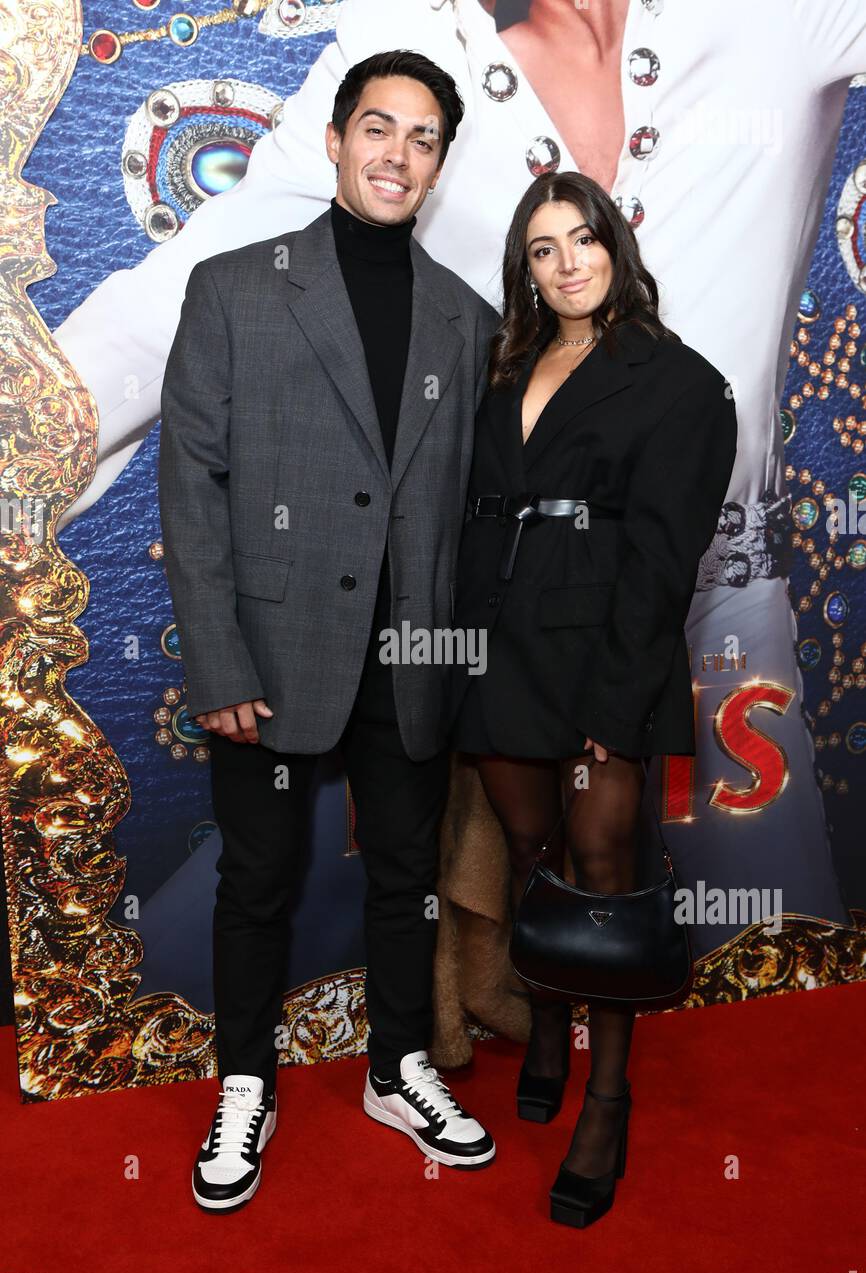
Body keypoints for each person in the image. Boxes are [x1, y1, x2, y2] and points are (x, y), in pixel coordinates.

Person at [55, 0, 865, 958]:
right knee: (457, 896)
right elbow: (167, 311)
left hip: (719, 615)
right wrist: (29, 434)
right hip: (512, 609)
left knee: (781, 957)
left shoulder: (775, 17)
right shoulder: (404, 47)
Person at [158, 49, 500, 1212]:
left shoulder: (468, 319)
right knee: (257, 882)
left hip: (408, 667)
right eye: (376, 128)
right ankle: (243, 1079)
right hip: (267, 661)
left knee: (406, 874)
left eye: (420, 137)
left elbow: (469, 513)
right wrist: (216, 656)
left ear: (440, 162)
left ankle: (397, 1064)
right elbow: (189, 486)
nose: (396, 152)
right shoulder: (236, 287)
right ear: (337, 140)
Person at [449, 170, 738, 1227]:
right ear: (523, 268)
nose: (566, 262)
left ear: (614, 245)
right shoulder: (504, 363)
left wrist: (612, 710)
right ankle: (546, 1024)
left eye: (582, 238)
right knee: (534, 862)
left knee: (604, 883)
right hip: (499, 650)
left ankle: (605, 1098)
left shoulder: (678, 382)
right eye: (541, 248)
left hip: (604, 660)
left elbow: (664, 561)